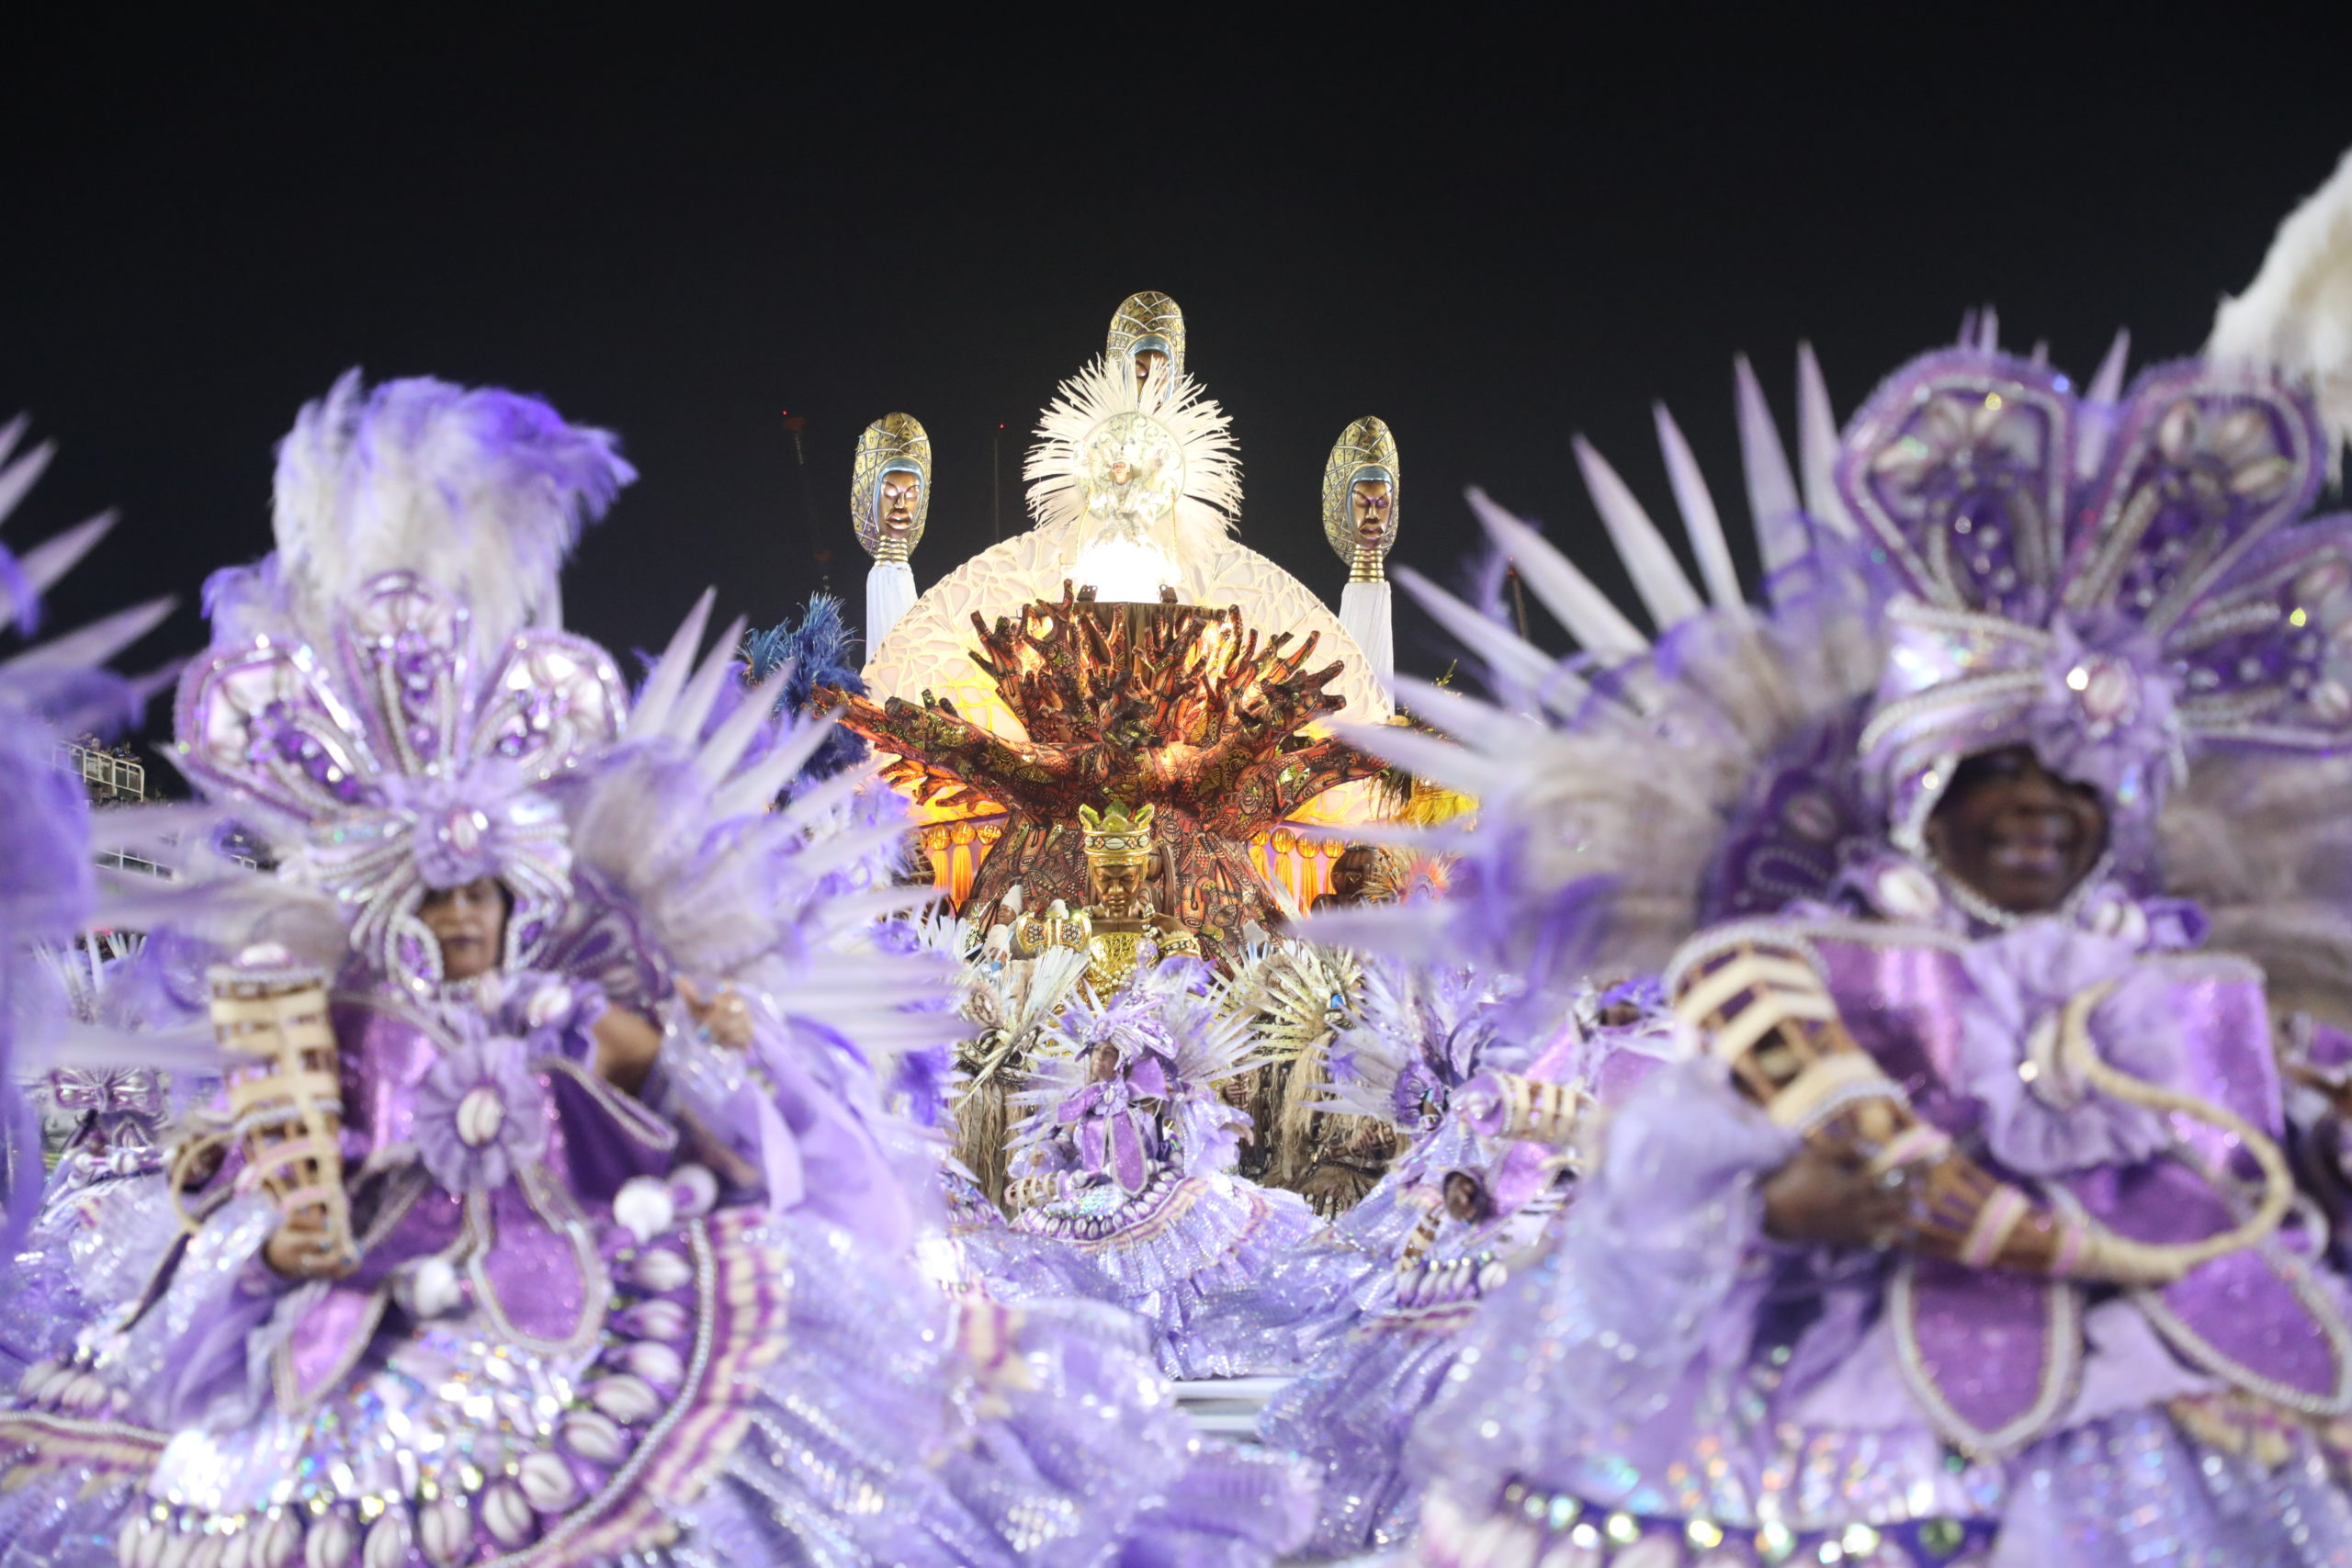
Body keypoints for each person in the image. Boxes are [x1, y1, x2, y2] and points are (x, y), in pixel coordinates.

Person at [0, 372, 1314, 1568]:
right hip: (379, 1318)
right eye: (439, 899)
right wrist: (267, 1170)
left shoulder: (557, 1006)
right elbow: (285, 1138)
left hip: (571, 1305)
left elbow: (662, 1103)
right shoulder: (344, 1010)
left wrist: (715, 1063)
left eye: (483, 893)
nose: (465, 920)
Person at [1377, 317, 2352, 1564]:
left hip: (2154, 1374)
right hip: (1844, 1391)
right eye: (1998, 772)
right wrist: (1784, 1206)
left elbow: (2250, 1163)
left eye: (2076, 780)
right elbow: (1667, 1179)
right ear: (1922, 795)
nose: (2041, 807)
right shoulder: (1819, 965)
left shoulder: (2174, 976)